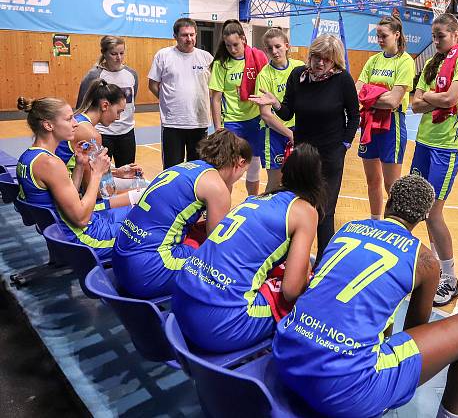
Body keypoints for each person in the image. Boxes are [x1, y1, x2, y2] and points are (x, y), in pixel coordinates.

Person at [272, 175, 458, 418]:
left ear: (388, 203)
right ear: (423, 218)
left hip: (285, 356)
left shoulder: (349, 228)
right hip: (344, 391)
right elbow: (414, 333)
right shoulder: (424, 261)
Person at [171, 143, 323, 353]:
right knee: (307, 291)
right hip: (219, 325)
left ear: (284, 173)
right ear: (318, 179)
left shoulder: (255, 199)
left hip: (179, 303)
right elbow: (290, 291)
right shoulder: (305, 211)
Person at [252, 34, 358, 259]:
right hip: (302, 154)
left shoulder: (343, 80)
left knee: (325, 212)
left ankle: (322, 263)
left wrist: (344, 145)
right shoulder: (298, 75)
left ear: (335, 60)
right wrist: (276, 103)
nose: (320, 63)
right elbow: (288, 112)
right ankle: (290, 259)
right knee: (296, 206)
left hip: (330, 155)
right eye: (316, 57)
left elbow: (354, 116)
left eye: (326, 59)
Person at [112, 129, 252, 299]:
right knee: (227, 265)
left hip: (120, 261)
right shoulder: (216, 187)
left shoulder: (185, 167)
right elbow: (217, 246)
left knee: (197, 232)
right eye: (243, 172)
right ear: (240, 162)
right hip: (146, 272)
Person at [409, 13, 458, 307]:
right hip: (425, 142)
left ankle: (450, 278)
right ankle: (432, 270)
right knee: (420, 208)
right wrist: (433, 96)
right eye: (434, 36)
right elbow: (414, 106)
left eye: (441, 36)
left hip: (448, 146)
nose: (436, 41)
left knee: (434, 213)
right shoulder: (432, 63)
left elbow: (451, 99)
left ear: (455, 34)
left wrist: (429, 96)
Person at [16, 97, 136, 258]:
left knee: (137, 211)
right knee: (148, 229)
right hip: (83, 240)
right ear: (48, 125)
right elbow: (81, 219)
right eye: (68, 119)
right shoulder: (50, 163)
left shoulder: (28, 157)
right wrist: (97, 173)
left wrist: (79, 165)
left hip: (61, 234)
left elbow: (66, 197)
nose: (75, 123)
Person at [355, 15, 415, 219]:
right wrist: (376, 95)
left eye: (384, 35)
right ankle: (375, 221)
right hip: (370, 123)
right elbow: (358, 91)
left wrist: (368, 96)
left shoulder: (406, 61)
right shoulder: (373, 60)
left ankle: (395, 225)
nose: (379, 40)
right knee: (372, 179)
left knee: (392, 184)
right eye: (377, 35)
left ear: (397, 34)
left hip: (392, 125)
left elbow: (393, 102)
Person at [209, 19, 268, 196]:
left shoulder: (257, 58)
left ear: (243, 39)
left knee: (253, 164)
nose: (232, 49)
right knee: (229, 167)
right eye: (228, 46)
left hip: (255, 119)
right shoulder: (221, 64)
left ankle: (251, 202)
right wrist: (218, 128)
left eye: (235, 44)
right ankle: (223, 205)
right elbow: (216, 99)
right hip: (233, 122)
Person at [148, 18, 213, 169]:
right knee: (172, 170)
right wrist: (167, 100)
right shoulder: (163, 55)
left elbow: (215, 88)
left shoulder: (206, 58)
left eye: (192, 35)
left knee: (197, 169)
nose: (189, 39)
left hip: (199, 122)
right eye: (184, 35)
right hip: (172, 123)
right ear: (175, 36)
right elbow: (152, 84)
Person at [56, 79, 142, 191]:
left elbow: (91, 172)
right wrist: (131, 193)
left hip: (64, 185)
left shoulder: (79, 119)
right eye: (118, 112)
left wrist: (117, 172)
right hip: (68, 192)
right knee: (140, 187)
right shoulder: (90, 134)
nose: (118, 118)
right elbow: (94, 190)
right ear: (105, 106)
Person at [254, 27, 305, 192]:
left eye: (278, 46)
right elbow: (266, 115)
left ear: (287, 46)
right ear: (265, 50)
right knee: (276, 181)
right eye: (270, 48)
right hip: (274, 134)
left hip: (299, 130)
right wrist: (290, 134)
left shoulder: (299, 68)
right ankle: (268, 216)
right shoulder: (264, 76)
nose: (274, 51)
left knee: (299, 178)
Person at [76, 36, 139, 167]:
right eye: (114, 54)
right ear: (104, 53)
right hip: (103, 133)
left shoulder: (132, 74)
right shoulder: (94, 76)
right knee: (101, 173)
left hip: (127, 133)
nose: (119, 58)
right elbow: (81, 107)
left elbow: (130, 103)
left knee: (127, 172)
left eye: (122, 53)